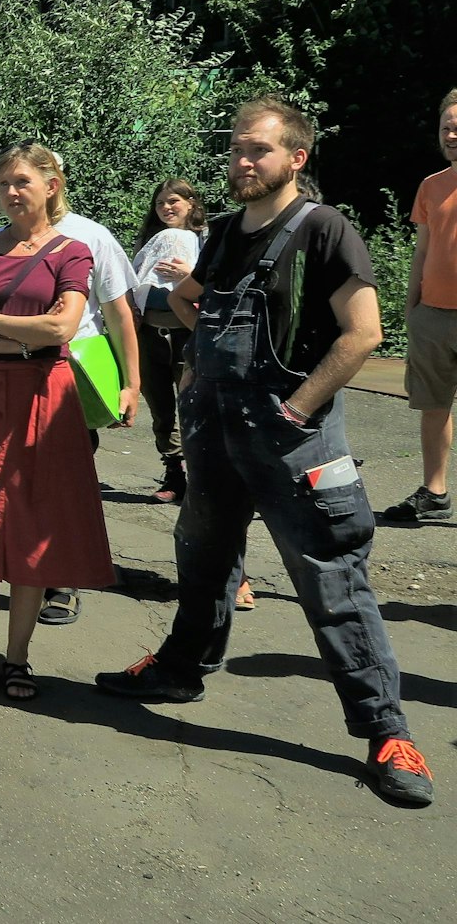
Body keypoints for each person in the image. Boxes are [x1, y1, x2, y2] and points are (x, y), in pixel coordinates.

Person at [97, 97, 435, 807]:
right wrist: (196, 363)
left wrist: (301, 404)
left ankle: (387, 733)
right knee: (204, 558)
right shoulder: (219, 233)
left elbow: (364, 332)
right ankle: (180, 668)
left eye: (259, 150)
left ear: (296, 158)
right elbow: (190, 298)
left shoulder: (324, 230)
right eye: (237, 149)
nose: (243, 161)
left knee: (332, 582)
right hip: (216, 435)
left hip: (295, 441)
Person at [0, 142, 113, 701]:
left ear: (50, 185)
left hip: (44, 394)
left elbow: (63, 328)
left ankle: (18, 658)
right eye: (4, 183)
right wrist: (19, 336)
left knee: (33, 522)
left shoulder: (73, 251)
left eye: (22, 182)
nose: (12, 192)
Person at [35, 173, 143, 627]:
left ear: (53, 184)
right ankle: (27, 571)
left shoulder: (91, 235)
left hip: (73, 377)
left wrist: (131, 384)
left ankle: (62, 583)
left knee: (63, 482)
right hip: (15, 375)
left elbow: (120, 315)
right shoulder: (0, 241)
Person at [383, 88, 457, 524]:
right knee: (433, 405)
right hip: (432, 315)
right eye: (446, 127)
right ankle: (435, 492)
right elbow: (423, 250)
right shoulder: (431, 186)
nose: (451, 134)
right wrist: (413, 308)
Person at [131, 179, 208, 506]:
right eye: (160, 202)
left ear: (190, 203)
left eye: (173, 201)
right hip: (150, 332)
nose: (166, 208)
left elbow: (221, 288)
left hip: (188, 332)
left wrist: (189, 275)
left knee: (195, 405)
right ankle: (174, 474)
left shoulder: (205, 240)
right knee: (161, 407)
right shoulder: (152, 242)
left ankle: (205, 478)